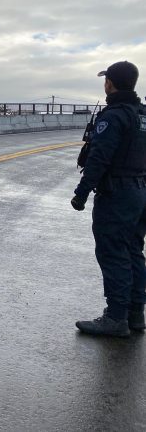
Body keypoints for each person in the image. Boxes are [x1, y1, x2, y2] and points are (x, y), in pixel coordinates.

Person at [72, 61, 146, 337]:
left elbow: (99, 158)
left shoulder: (114, 116)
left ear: (110, 83)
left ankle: (115, 317)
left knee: (113, 252)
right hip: (140, 190)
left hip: (118, 193)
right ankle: (135, 313)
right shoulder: (142, 114)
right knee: (133, 250)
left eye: (106, 80)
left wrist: (81, 193)